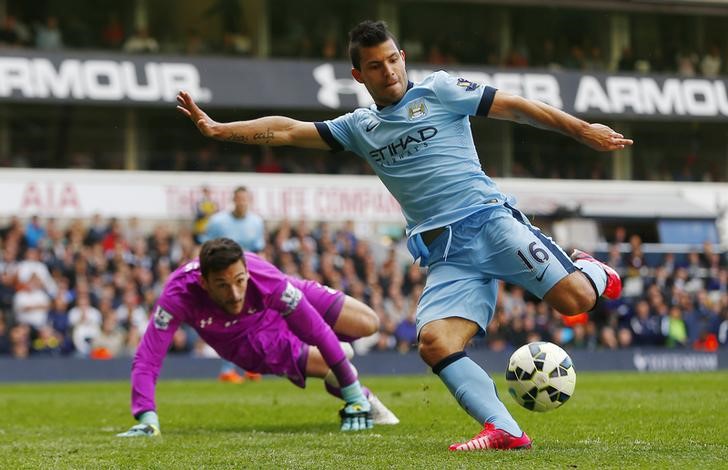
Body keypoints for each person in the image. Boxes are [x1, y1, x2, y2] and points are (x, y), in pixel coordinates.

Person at [175, 20, 632, 450]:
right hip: (444, 254)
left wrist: (581, 129)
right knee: (435, 343)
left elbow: (515, 106)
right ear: (359, 74)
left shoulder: (441, 89)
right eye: (375, 65)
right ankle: (505, 429)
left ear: (403, 57)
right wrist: (218, 129)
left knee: (574, 302)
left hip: (489, 222)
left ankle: (591, 270)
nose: (388, 70)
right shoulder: (359, 128)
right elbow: (287, 130)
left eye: (393, 59)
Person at [117, 238, 398, 437]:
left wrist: (348, 387)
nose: (235, 293)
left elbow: (315, 329)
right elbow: (148, 357)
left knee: (368, 322)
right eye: (222, 285)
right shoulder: (177, 295)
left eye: (240, 281)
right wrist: (146, 417)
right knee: (334, 362)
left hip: (272, 297)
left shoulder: (265, 277)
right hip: (245, 338)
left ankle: (344, 376)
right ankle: (363, 395)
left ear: (247, 272)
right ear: (204, 283)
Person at [204, 186, 265, 383]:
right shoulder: (218, 221)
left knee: (253, 320)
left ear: (249, 201)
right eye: (238, 199)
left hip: (248, 276)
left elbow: (259, 250)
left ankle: (251, 367)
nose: (241, 202)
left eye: (245, 199)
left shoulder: (256, 222)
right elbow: (206, 247)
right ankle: (227, 369)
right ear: (233, 200)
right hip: (224, 278)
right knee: (229, 321)